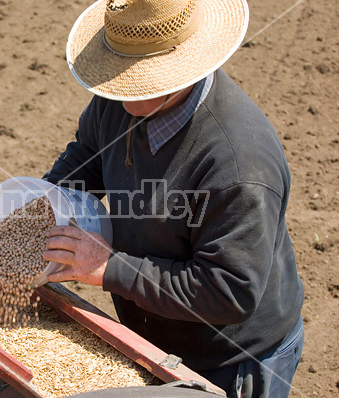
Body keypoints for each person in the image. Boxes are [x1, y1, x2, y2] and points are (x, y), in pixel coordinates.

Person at [41, 0, 304, 397]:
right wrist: (43, 203)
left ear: (180, 73)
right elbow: (88, 154)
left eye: (136, 80)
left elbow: (228, 291)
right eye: (117, 76)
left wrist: (108, 268)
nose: (120, 91)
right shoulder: (119, 100)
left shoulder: (237, 165)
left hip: (230, 358)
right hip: (155, 334)